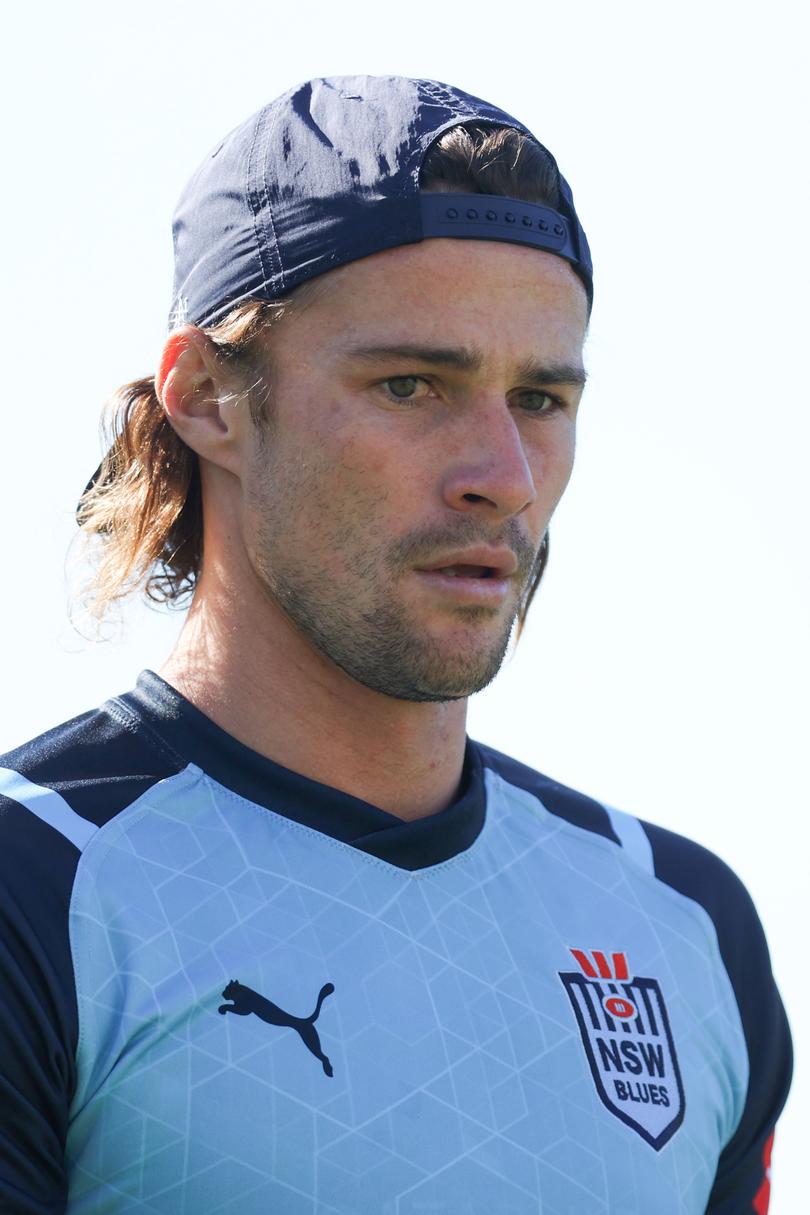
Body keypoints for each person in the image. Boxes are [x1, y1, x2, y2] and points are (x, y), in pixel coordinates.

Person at [0, 75, 791, 1214]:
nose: (503, 479)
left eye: (541, 399)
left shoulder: (684, 925)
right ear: (208, 399)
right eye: (412, 384)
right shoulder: (39, 888)